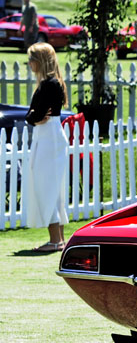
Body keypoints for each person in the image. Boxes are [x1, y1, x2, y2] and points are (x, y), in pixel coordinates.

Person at [22, 42, 69, 252]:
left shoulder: (47, 84)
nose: (29, 63)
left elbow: (35, 115)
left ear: (39, 61)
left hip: (48, 136)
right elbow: (35, 115)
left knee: (47, 187)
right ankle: (59, 238)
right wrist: (32, 115)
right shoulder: (54, 82)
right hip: (51, 134)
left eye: (31, 59)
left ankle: (55, 240)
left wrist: (32, 116)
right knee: (54, 187)